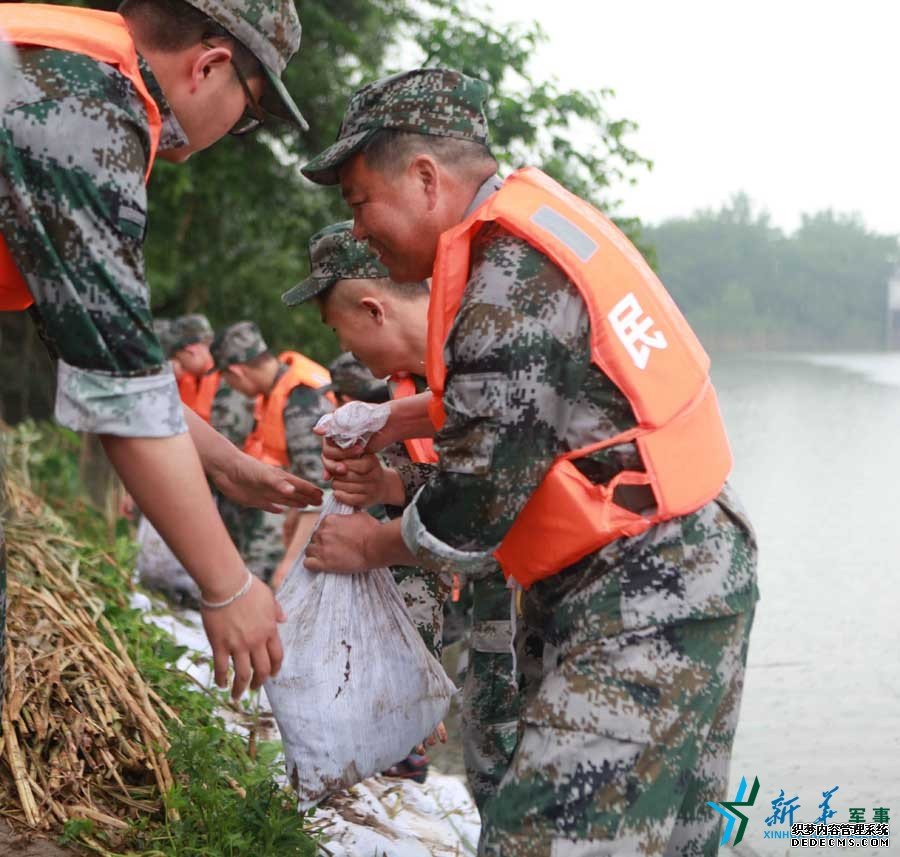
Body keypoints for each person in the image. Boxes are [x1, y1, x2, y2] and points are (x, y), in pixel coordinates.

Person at [300, 68, 759, 855]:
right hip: (666, 568)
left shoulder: (509, 276)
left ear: (424, 178)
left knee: (538, 839)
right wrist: (392, 417)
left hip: (650, 588)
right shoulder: (526, 240)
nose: (361, 231)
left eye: (359, 203)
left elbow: (476, 501)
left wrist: (372, 542)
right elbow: (535, 407)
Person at [0, 0, 319, 701]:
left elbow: (102, 348)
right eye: (252, 111)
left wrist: (230, 465)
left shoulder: (58, 59)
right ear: (210, 65)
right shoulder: (89, 106)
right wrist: (229, 586)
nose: (238, 130)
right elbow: (117, 388)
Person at [282, 220, 517, 801]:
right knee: (495, 781)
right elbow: (433, 500)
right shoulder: (399, 397)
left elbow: (495, 496)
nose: (347, 354)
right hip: (489, 617)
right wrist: (385, 485)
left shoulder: (493, 342)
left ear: (373, 310)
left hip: (544, 606)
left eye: (342, 332)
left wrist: (370, 543)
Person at [209, 321, 332, 585]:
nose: (230, 385)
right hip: (325, 508)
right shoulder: (278, 391)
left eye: (227, 378)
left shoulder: (300, 401)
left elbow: (323, 491)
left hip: (363, 508)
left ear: (237, 372)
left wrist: (289, 562)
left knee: (279, 580)